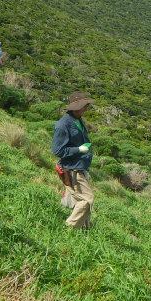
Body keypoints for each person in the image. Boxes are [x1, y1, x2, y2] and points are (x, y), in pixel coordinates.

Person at [51, 92, 94, 229]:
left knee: (79, 200)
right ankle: (69, 228)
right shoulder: (63, 125)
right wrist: (78, 150)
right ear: (75, 107)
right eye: (83, 106)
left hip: (80, 166)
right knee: (87, 199)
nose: (85, 108)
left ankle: (85, 229)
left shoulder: (78, 119)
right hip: (72, 168)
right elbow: (58, 151)